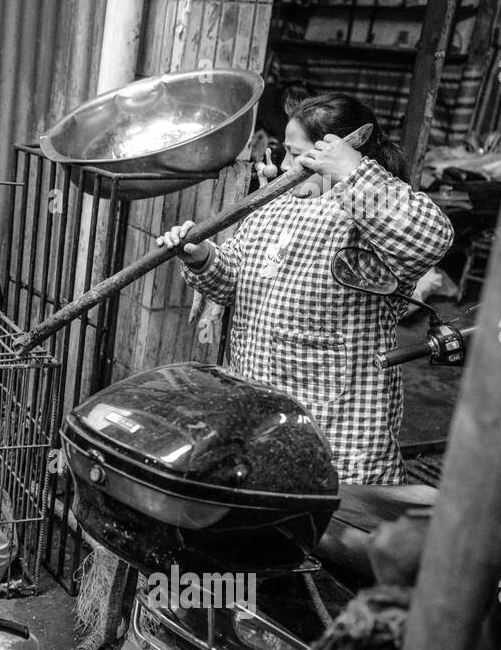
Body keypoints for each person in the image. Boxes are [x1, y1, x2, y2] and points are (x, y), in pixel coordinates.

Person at [158, 92, 454, 484]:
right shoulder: (276, 205)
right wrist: (202, 257)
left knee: (328, 535)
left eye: (295, 154)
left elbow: (431, 239)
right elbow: (234, 281)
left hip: (336, 434)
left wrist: (355, 172)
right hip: (260, 420)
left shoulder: (372, 216)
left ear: (336, 154)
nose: (283, 165)